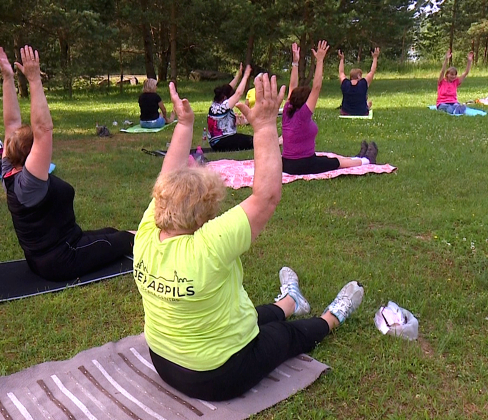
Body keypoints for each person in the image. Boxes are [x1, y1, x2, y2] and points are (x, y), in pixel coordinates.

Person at [133, 75, 365, 402]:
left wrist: (185, 125)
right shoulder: (208, 244)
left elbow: (166, 175)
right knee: (281, 336)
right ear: (205, 217)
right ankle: (332, 316)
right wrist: (266, 126)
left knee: (254, 316)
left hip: (164, 361)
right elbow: (267, 196)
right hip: (217, 377)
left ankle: (291, 302)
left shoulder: (146, 232)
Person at [0, 45, 134, 282]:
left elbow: (11, 124)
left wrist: (8, 78)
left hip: (44, 258)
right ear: (32, 154)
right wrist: (34, 80)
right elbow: (43, 129)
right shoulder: (30, 182)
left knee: (112, 233)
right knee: (130, 239)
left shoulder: (9, 169)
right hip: (63, 259)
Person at [282, 41, 378, 175]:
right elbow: (316, 87)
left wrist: (295, 63)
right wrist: (320, 60)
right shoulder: (303, 115)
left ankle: (358, 157)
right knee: (336, 162)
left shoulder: (288, 109)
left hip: (286, 163)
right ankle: (367, 160)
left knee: (331, 159)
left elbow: (292, 86)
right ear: (305, 101)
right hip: (302, 164)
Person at [207, 63, 254, 151]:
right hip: (222, 142)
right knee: (253, 141)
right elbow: (238, 93)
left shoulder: (215, 104)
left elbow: (228, 88)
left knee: (249, 139)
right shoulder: (224, 106)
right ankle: (277, 142)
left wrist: (238, 75)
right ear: (225, 98)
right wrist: (246, 76)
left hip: (216, 142)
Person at [338, 47, 379, 116]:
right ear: (359, 76)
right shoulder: (363, 83)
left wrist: (341, 59)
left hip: (346, 112)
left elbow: (341, 72)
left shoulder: (345, 83)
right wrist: (375, 58)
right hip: (362, 112)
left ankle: (367, 105)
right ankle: (367, 106)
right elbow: (372, 71)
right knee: (367, 102)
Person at [437, 49, 473, 115]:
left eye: (454, 75)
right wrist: (446, 60)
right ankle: (455, 111)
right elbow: (442, 71)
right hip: (442, 103)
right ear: (447, 74)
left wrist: (469, 61)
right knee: (448, 107)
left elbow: (466, 73)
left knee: (456, 106)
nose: (453, 76)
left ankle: (457, 110)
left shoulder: (455, 82)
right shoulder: (441, 81)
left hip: (453, 102)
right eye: (451, 74)